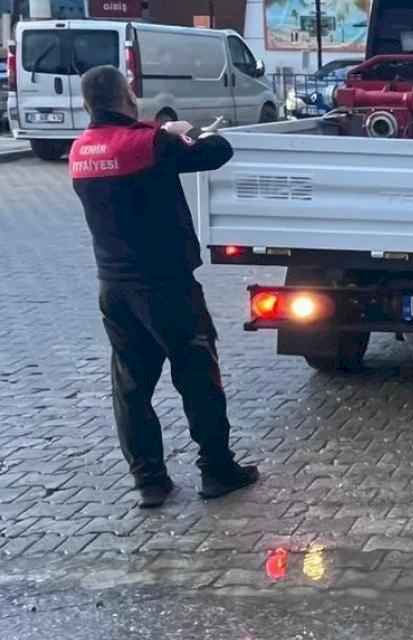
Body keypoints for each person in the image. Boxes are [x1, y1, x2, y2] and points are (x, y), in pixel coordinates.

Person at [69, 66, 259, 509]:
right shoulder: (149, 144)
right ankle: (217, 470)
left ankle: (150, 481)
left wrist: (162, 134)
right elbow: (218, 152)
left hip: (114, 287)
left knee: (131, 386)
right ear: (127, 96)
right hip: (166, 286)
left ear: (87, 104)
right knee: (197, 375)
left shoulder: (80, 150)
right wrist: (184, 133)